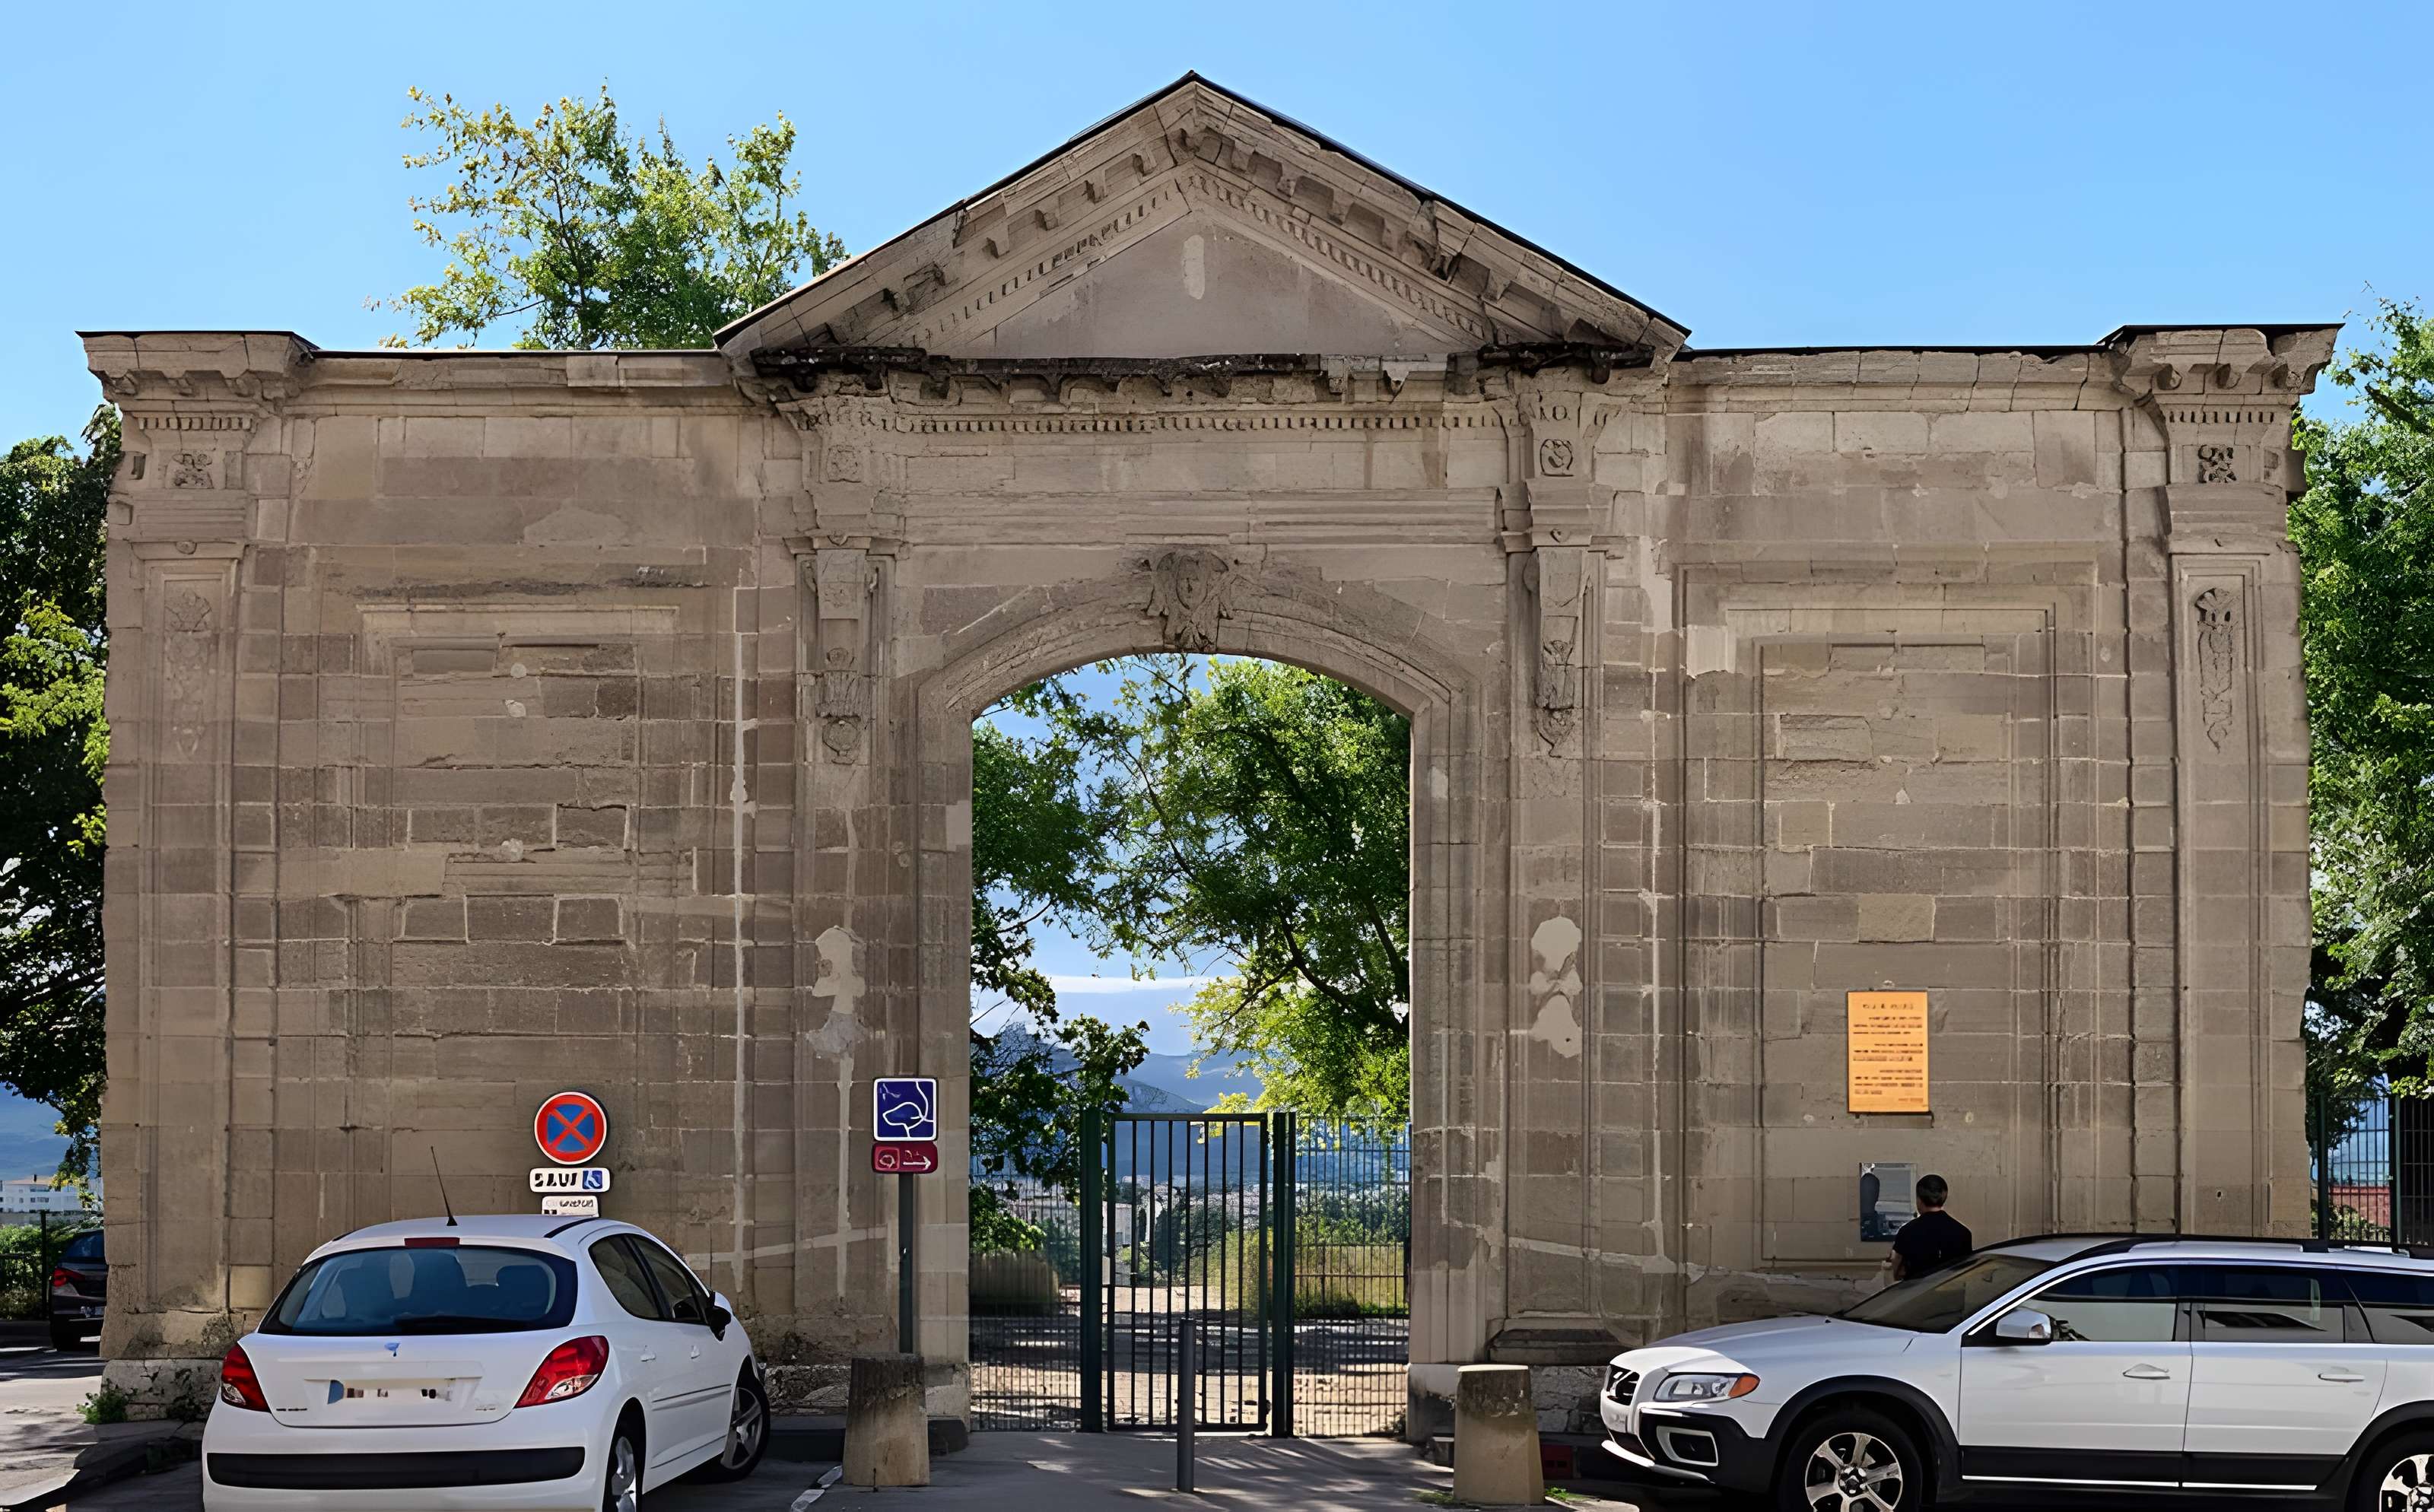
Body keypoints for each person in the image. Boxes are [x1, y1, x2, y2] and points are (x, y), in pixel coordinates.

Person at [1889, 1173, 1972, 1282]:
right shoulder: (1963, 1233)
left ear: (1919, 1200)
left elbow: (1894, 1270)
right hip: (1953, 1295)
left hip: (1916, 1295)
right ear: (1944, 1198)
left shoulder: (1907, 1231)